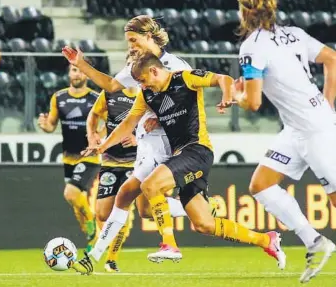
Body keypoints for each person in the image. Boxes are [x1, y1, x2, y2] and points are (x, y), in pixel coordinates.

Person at [73, 52, 287, 275]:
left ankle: (170, 244)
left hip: (197, 150)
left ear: (155, 71)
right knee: (204, 224)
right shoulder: (147, 95)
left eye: (144, 80)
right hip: (180, 155)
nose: (142, 86)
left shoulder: (186, 78)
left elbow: (222, 78)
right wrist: (103, 146)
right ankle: (266, 240)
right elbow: (128, 123)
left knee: (150, 186)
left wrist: (226, 96)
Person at [63, 16, 218, 269]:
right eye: (128, 42)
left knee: (128, 196)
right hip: (147, 144)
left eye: (133, 41)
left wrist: (158, 117)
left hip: (168, 144)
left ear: (148, 37)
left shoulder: (174, 65)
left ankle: (94, 257)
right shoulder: (139, 65)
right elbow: (112, 85)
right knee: (143, 209)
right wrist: (81, 64)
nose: (130, 47)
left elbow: (188, 98)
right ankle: (199, 208)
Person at [234, 0, 336, 284]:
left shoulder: (251, 47)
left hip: (316, 130)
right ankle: (315, 242)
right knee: (262, 185)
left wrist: (235, 96)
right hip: (297, 127)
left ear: (244, 10)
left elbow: (251, 102)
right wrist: (327, 102)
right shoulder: (294, 33)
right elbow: (332, 58)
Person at [38, 64, 100, 252]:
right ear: (69, 73)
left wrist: (100, 137)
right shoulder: (59, 97)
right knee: (75, 202)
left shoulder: (96, 98)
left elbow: (111, 122)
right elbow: (51, 125)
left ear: (87, 74)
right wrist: (44, 125)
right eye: (74, 70)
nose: (77, 73)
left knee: (70, 193)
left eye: (81, 70)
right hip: (68, 157)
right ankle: (92, 240)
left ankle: (92, 224)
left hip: (88, 156)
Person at [86, 68, 138, 272]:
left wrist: (136, 139)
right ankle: (109, 250)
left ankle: (111, 258)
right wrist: (92, 135)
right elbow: (94, 115)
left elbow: (158, 126)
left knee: (122, 207)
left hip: (135, 162)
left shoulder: (148, 95)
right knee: (101, 213)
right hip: (109, 160)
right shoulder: (110, 92)